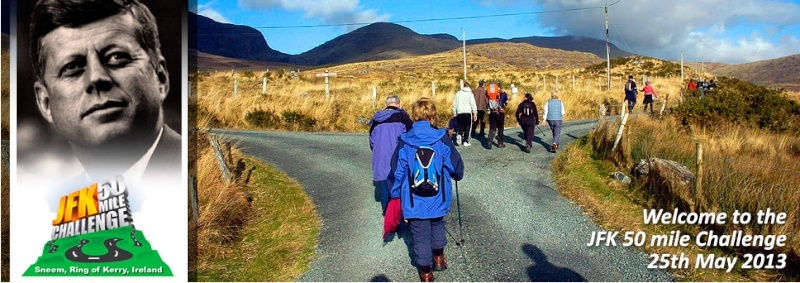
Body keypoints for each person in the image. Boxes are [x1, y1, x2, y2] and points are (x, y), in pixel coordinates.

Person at [30, 0, 180, 211]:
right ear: (45, 103)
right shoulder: (46, 209)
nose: (96, 78)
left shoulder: (202, 180)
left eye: (116, 57)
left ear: (160, 78)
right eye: (72, 67)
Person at [389, 98, 464, 282]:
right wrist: (457, 175)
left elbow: (396, 171)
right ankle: (438, 259)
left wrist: (395, 194)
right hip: (438, 196)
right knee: (438, 225)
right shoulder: (442, 138)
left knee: (420, 234)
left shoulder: (405, 141)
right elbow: (456, 167)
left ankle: (426, 273)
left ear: (414, 116)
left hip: (414, 200)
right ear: (432, 116)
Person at [369, 95, 413, 215]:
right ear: (399, 104)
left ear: (385, 104)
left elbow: (372, 141)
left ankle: (388, 214)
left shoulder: (376, 119)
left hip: (380, 157)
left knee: (385, 186)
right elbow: (411, 137)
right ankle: (401, 213)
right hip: (398, 156)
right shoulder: (403, 117)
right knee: (401, 185)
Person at [451, 82, 477, 146]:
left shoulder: (458, 93)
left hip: (460, 112)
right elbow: (473, 104)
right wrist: (475, 113)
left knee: (461, 125)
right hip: (468, 112)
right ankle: (465, 140)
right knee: (468, 126)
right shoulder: (470, 94)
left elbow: (454, 104)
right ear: (469, 87)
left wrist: (454, 112)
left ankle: (459, 134)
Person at [487, 83, 508, 149]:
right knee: (500, 128)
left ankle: (490, 140)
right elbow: (506, 103)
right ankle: (500, 143)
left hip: (492, 112)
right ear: (500, 87)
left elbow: (487, 102)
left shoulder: (490, 94)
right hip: (500, 113)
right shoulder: (503, 93)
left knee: (492, 127)